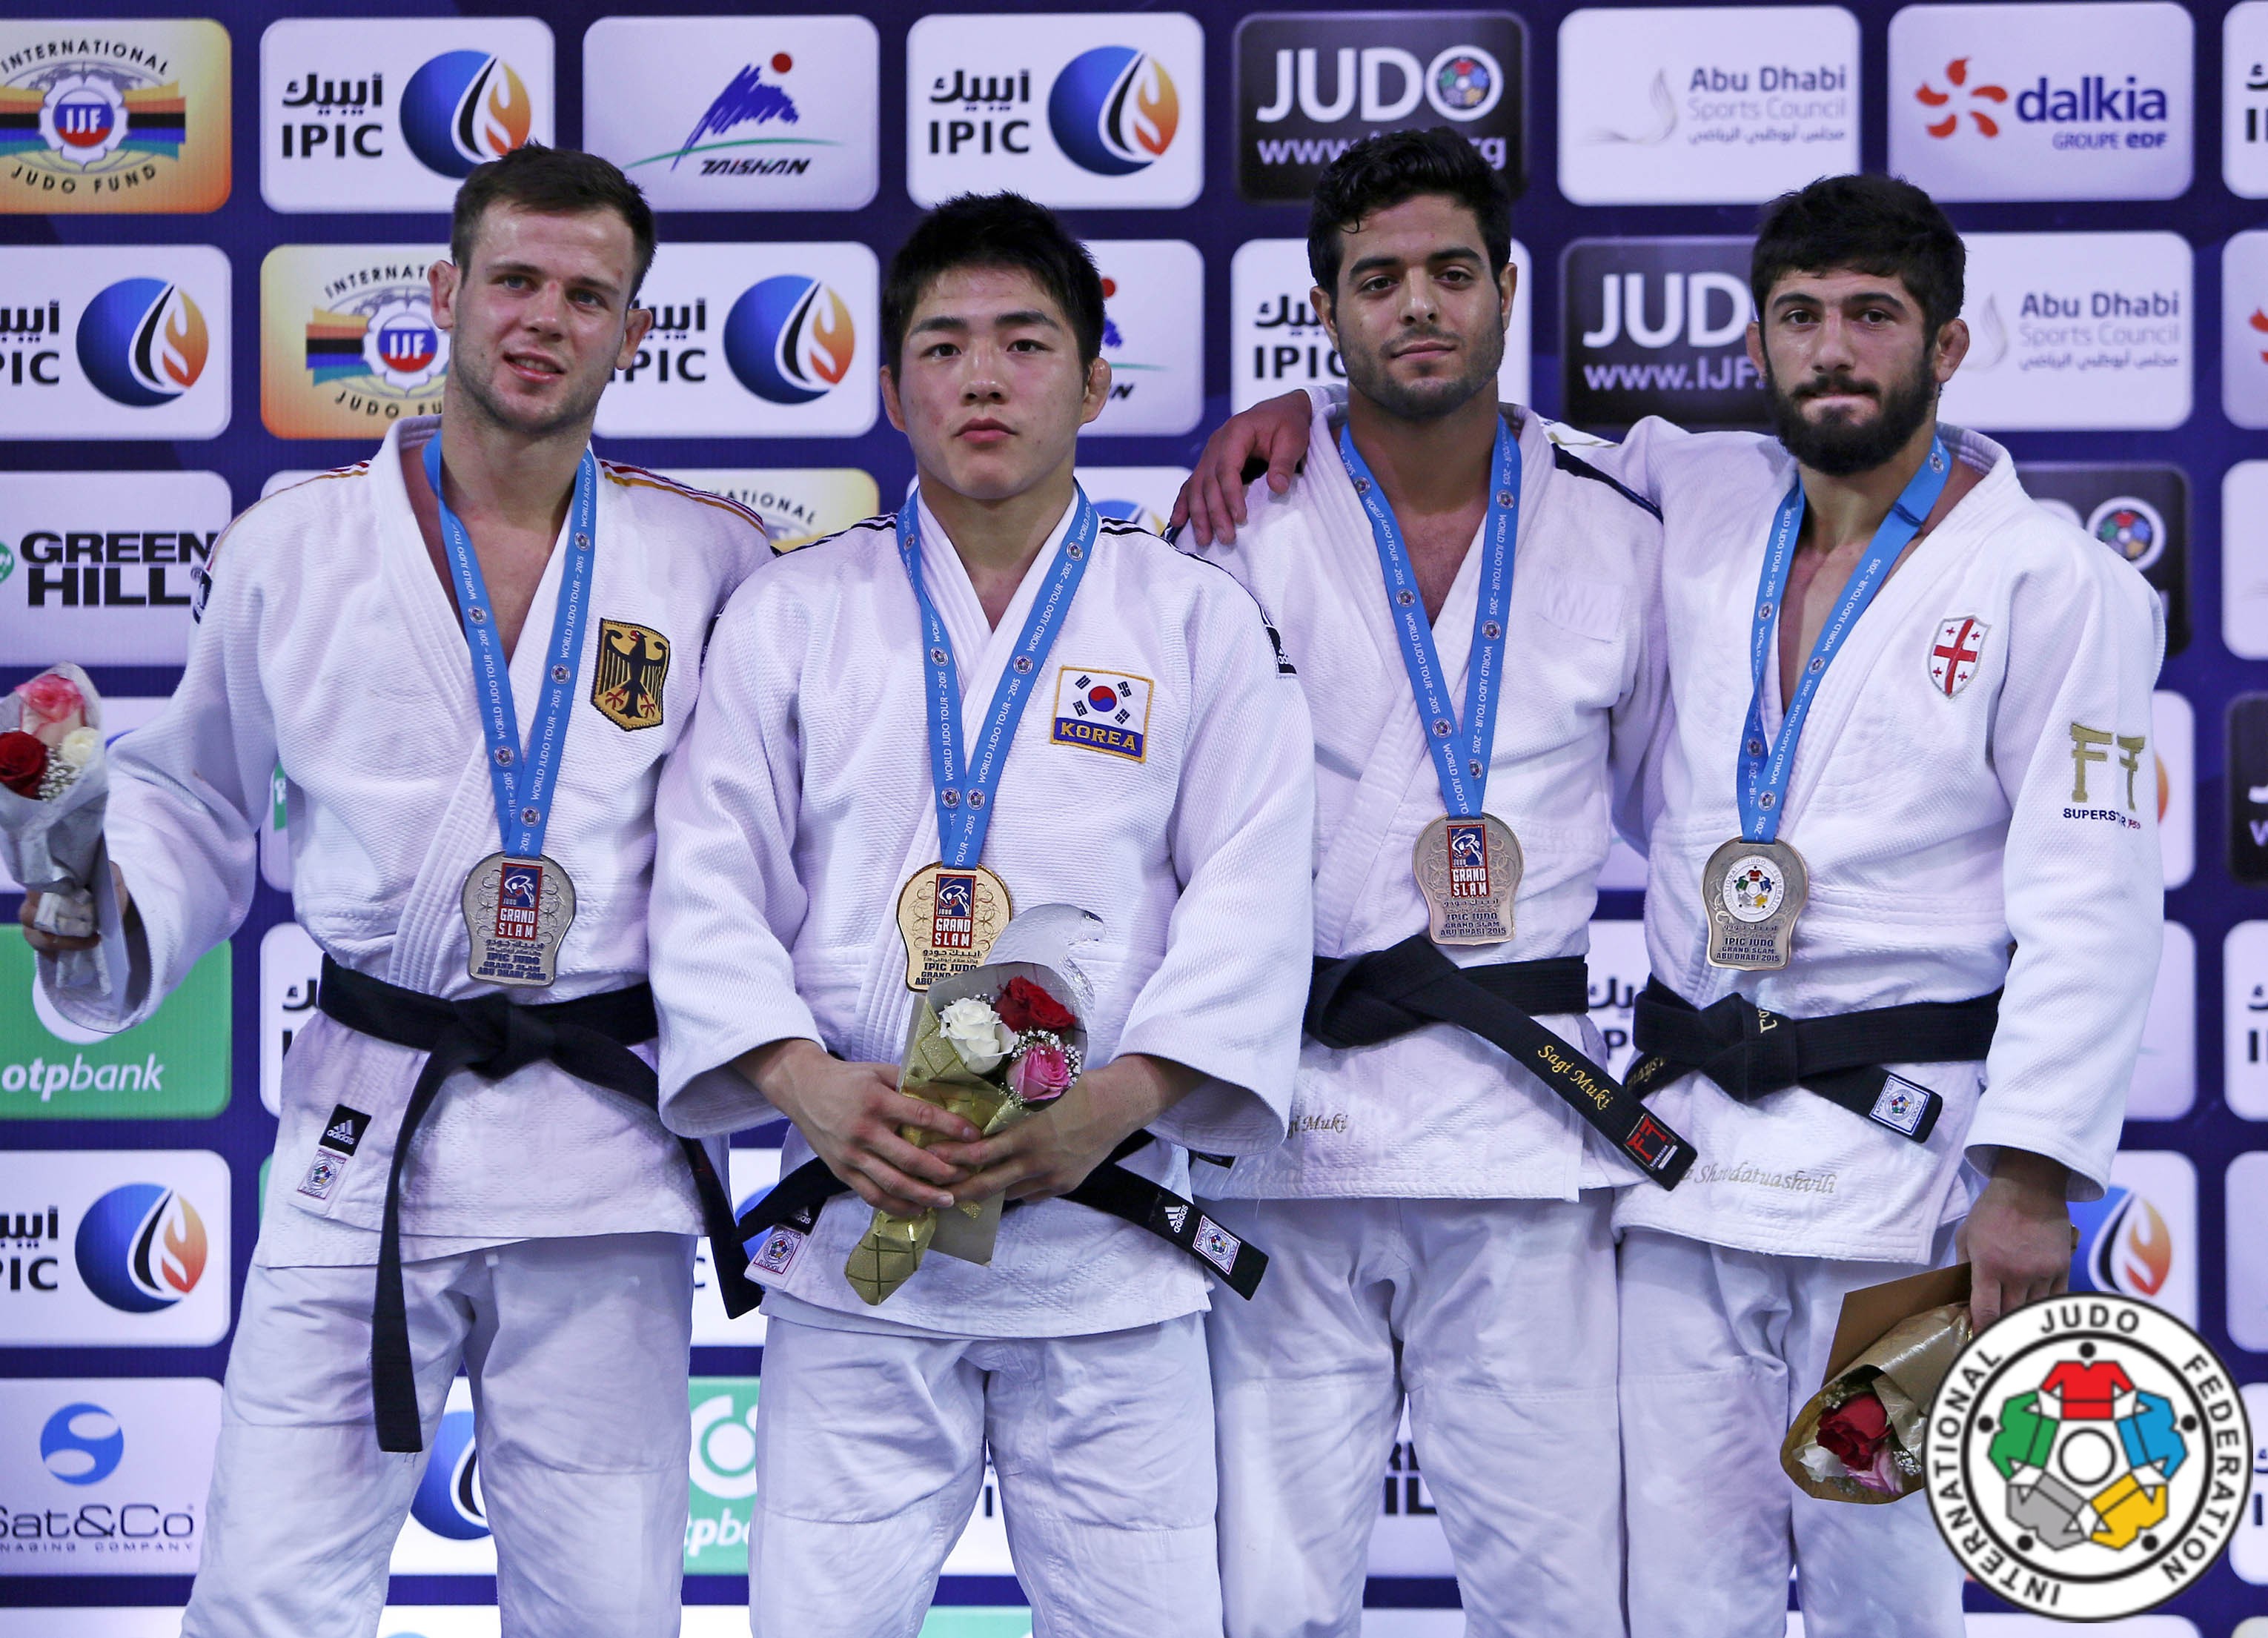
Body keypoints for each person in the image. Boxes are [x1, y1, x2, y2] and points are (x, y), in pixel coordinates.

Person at [1176, 171, 2163, 1638]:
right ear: (1757, 344)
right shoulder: (1701, 497)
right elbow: (1456, 425)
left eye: (1874, 316)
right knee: (1681, 1597)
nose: (1834, 349)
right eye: (1801, 316)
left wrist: (2027, 1180)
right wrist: (1303, 416)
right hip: (1692, 1163)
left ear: (1947, 346)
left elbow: (2096, 902)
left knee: (1886, 1590)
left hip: (1908, 1175)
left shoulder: (2060, 584)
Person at [20, 145, 772, 1638]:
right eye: (515, 280)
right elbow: (193, 797)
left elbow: (771, 840)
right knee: (268, 1592)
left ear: (634, 331)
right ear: (445, 292)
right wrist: (96, 895)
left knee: (608, 1610)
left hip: (601, 1149)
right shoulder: (291, 548)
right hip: (362, 1133)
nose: (544, 318)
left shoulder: (709, 558)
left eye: (588, 295)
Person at [646, 192, 1316, 1638]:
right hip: (861, 1248)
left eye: (1025, 341)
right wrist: (804, 1084)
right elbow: (706, 878)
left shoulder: (1193, 616)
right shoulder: (793, 612)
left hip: (1109, 1255)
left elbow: (1256, 894)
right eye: (943, 347)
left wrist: (1119, 1102)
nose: (984, 378)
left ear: (1095, 380)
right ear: (893, 392)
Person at [1174, 129, 1682, 1638]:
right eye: (1378, 279)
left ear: (1508, 290)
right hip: (1284, 1120)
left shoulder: (1620, 526)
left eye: (1452, 273)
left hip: (1518, 1135)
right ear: (1324, 309)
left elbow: (1677, 809)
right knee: (1266, 1598)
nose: (1418, 306)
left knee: (1560, 1596)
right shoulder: (1232, 526)